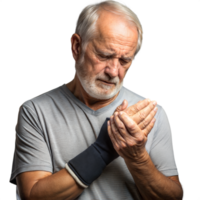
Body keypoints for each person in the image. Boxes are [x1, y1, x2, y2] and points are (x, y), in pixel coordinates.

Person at [9, 0, 184, 199]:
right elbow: (32, 195)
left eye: (125, 60)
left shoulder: (151, 114)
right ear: (76, 46)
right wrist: (102, 151)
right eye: (103, 55)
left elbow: (173, 198)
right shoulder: (35, 111)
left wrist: (137, 158)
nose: (113, 72)